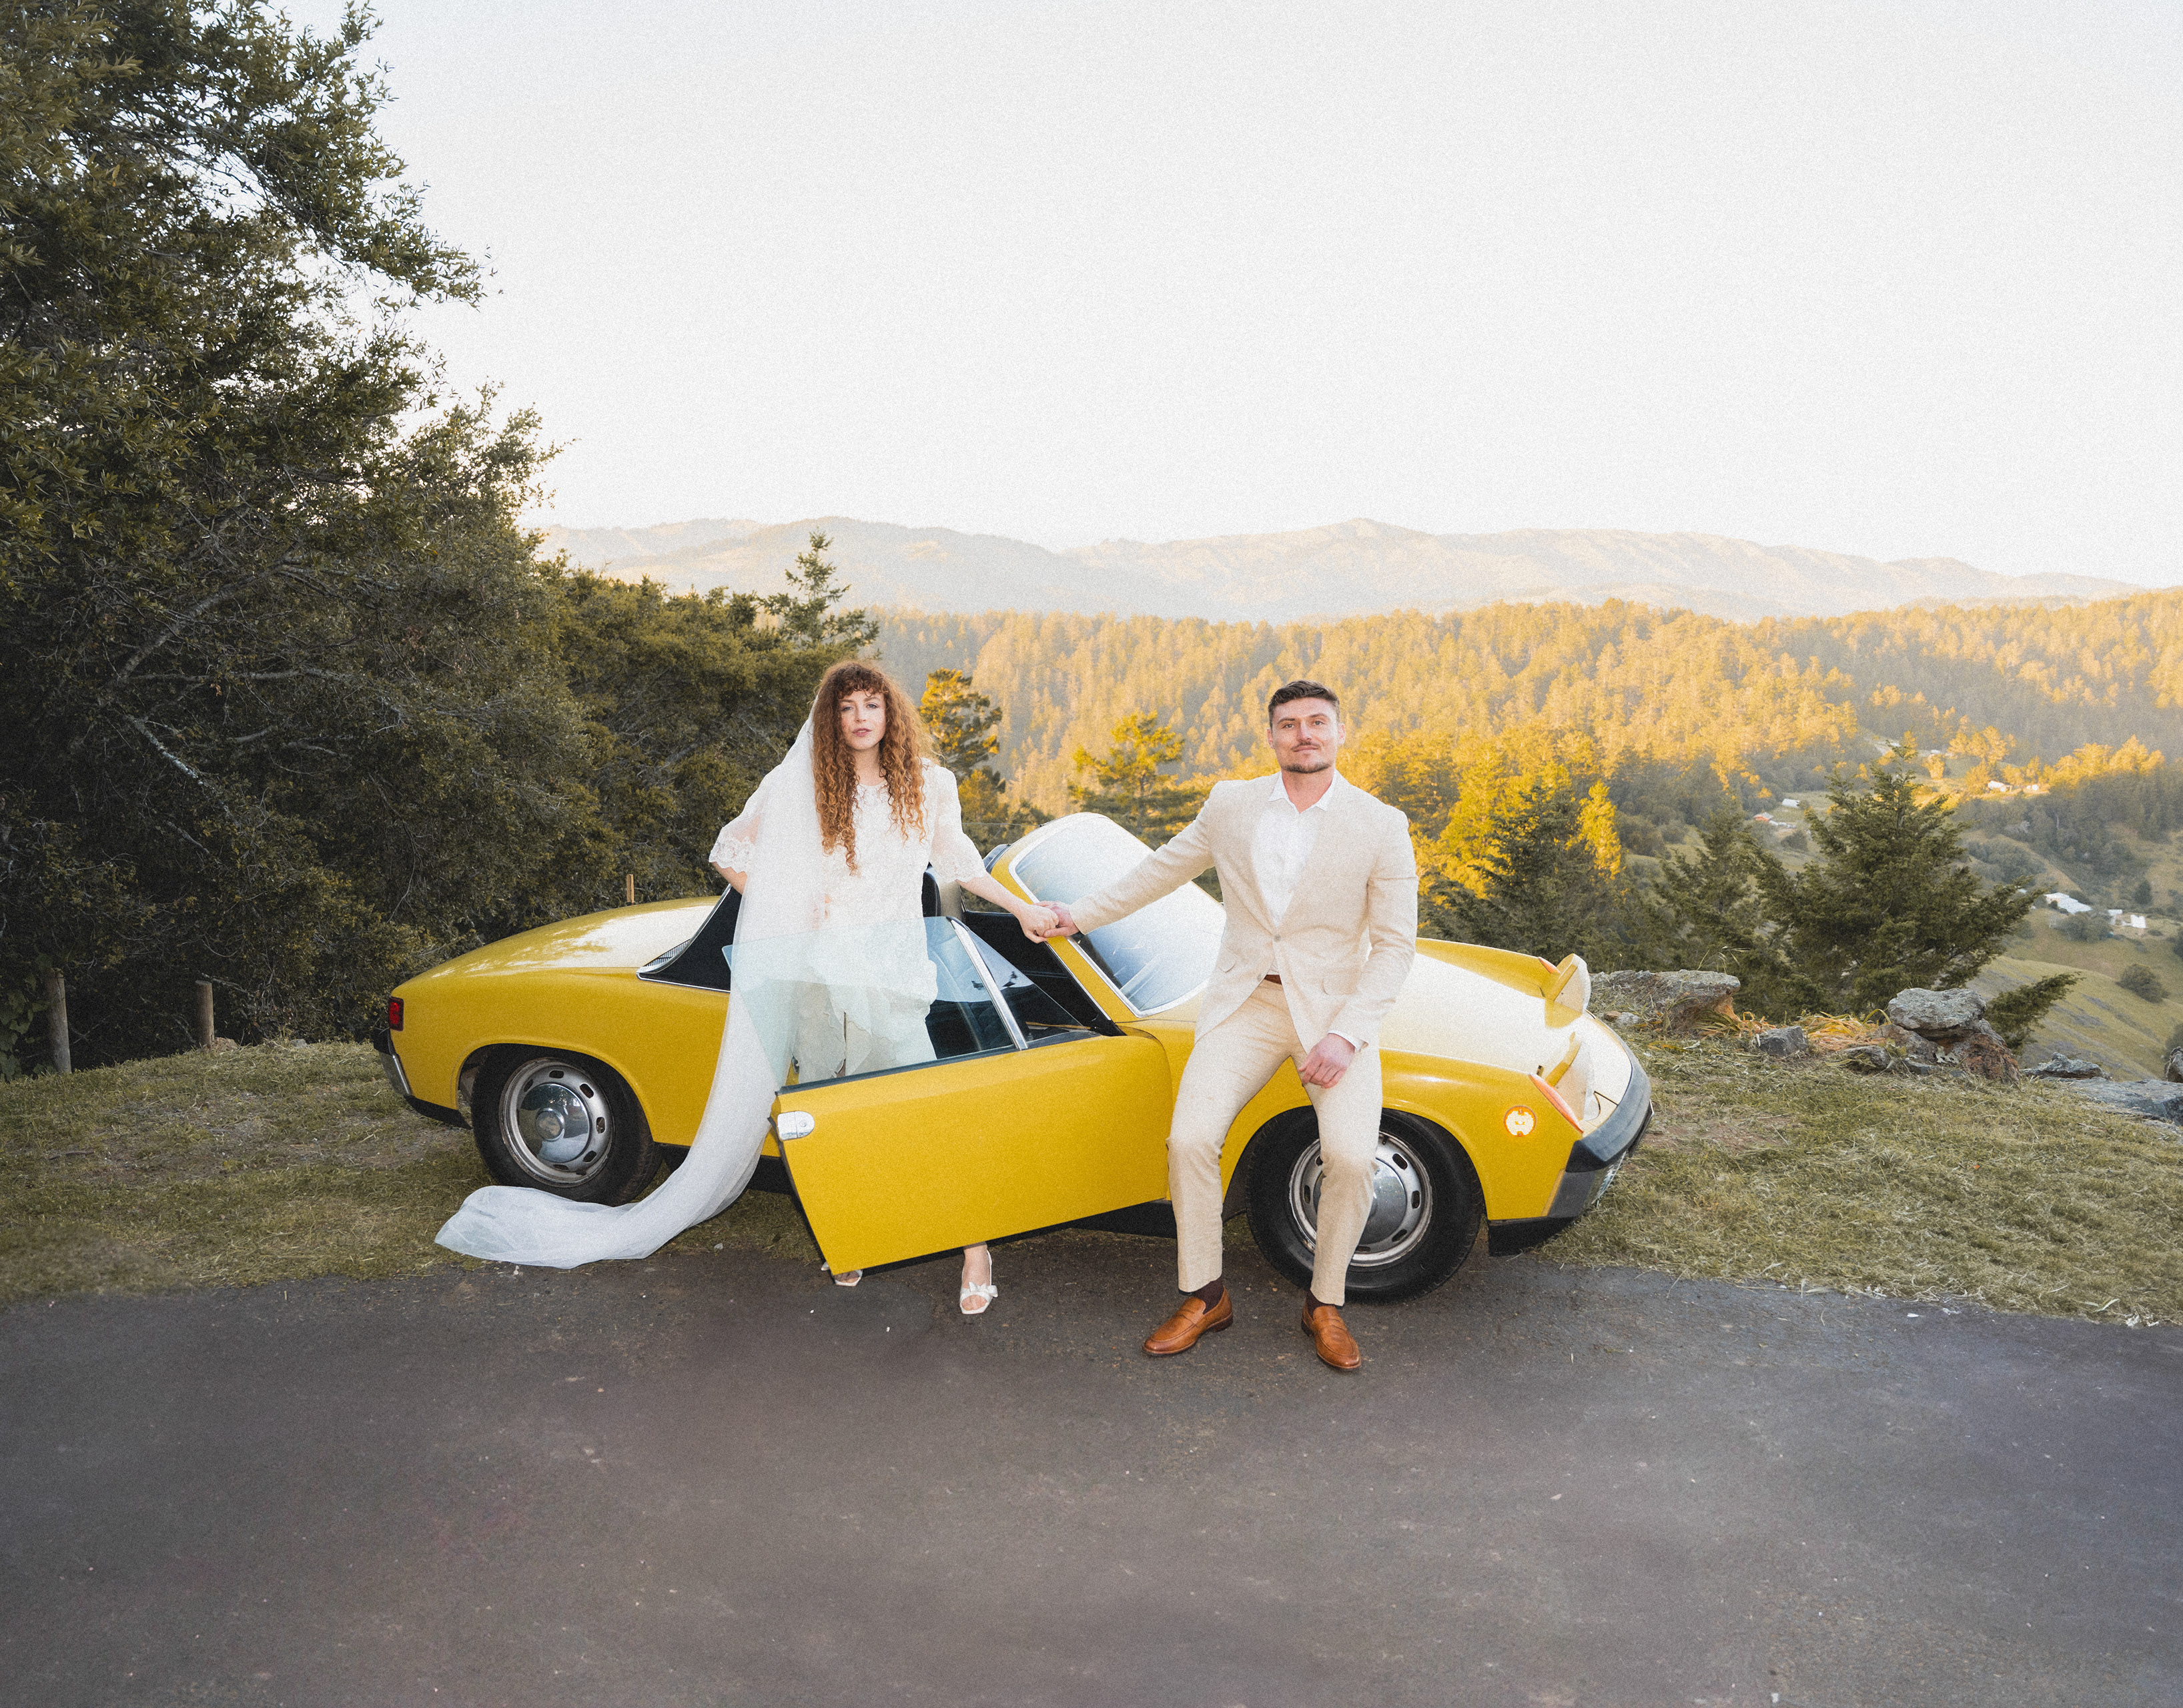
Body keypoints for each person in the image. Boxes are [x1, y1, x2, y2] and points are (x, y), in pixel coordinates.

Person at [437, 659, 1057, 1316]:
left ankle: (975, 1253)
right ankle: (851, 1236)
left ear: (890, 713)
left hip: (892, 973)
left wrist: (1023, 910)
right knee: (827, 1111)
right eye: (845, 708)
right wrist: (790, 906)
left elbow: (960, 862)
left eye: (871, 705)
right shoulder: (802, 783)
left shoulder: (930, 784)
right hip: (816, 973)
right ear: (829, 719)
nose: (859, 719)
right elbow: (729, 850)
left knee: (924, 1112)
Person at [1040, 680, 1416, 1370]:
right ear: (1270, 737)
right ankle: (1205, 1295)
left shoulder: (1381, 825)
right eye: (1288, 724)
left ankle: (1323, 1304)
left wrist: (1346, 1036)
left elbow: (1395, 948)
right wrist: (1077, 915)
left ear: (1339, 733)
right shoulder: (1229, 805)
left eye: (1317, 722)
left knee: (1351, 1159)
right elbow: (1157, 872)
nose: (1303, 734)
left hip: (1334, 1017)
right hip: (1244, 1003)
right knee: (1189, 1140)